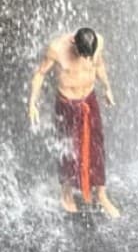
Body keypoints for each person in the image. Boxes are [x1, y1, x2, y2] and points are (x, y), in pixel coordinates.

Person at [27, 27, 120, 217]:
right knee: (67, 148)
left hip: (89, 100)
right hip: (67, 104)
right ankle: (66, 194)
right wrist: (32, 103)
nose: (86, 60)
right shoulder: (57, 48)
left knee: (97, 146)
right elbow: (40, 73)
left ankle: (101, 194)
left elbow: (99, 65)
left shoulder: (98, 42)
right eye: (81, 54)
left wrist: (107, 88)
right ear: (72, 43)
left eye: (89, 56)